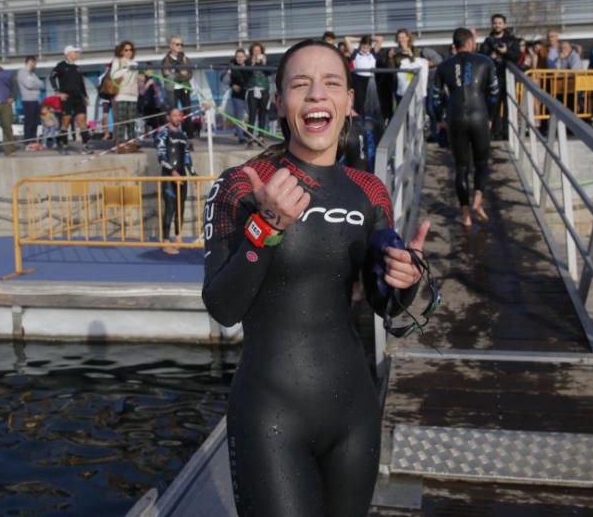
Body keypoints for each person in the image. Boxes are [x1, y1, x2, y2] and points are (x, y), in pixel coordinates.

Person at [202, 38, 429, 517]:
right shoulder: (244, 184)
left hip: (354, 412)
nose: (316, 95)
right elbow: (223, 307)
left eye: (331, 84)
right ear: (281, 103)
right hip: (271, 415)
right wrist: (266, 227)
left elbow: (382, 302)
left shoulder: (368, 190)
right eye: (300, 85)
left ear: (349, 101)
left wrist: (403, 279)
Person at [434, 27, 500, 226]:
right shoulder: (486, 62)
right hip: (479, 115)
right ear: (471, 43)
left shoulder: (443, 66)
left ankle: (465, 215)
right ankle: (477, 201)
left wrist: (439, 119)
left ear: (454, 44)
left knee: (461, 167)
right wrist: (491, 117)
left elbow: (436, 98)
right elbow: (495, 94)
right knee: (481, 162)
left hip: (455, 117)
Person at [155, 107, 195, 255]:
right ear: (168, 117)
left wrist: (193, 173)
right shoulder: (163, 133)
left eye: (179, 115)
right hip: (169, 176)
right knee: (170, 208)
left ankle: (178, 239)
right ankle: (165, 241)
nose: (178, 117)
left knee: (181, 208)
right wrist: (173, 172)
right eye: (174, 115)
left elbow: (186, 156)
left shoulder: (183, 135)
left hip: (182, 175)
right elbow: (161, 156)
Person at [49, 45, 91, 152]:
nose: (77, 54)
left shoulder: (77, 67)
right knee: (66, 120)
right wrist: (58, 92)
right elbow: (51, 77)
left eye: (77, 53)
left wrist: (85, 96)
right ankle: (64, 145)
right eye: (75, 52)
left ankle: (85, 146)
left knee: (82, 120)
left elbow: (81, 83)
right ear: (68, 53)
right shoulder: (61, 65)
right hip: (66, 97)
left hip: (78, 97)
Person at [110, 41, 142, 152]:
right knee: (121, 120)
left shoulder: (135, 63)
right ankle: (120, 144)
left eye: (130, 50)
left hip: (133, 94)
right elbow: (114, 75)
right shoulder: (117, 61)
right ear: (121, 51)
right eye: (126, 50)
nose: (129, 52)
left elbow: (136, 79)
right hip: (121, 94)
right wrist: (126, 68)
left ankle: (132, 143)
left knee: (131, 121)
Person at [161, 35, 196, 138]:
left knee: (187, 112)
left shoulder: (186, 59)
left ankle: (189, 137)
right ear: (171, 45)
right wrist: (181, 74)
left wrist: (174, 74)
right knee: (172, 113)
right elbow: (166, 76)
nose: (180, 46)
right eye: (177, 44)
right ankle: (173, 135)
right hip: (172, 90)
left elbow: (189, 75)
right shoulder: (165, 60)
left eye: (181, 44)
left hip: (184, 88)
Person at [245, 42, 271, 145]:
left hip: (264, 90)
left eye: (258, 50)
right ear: (251, 52)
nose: (256, 52)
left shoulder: (266, 60)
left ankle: (261, 136)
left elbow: (269, 73)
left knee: (262, 115)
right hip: (252, 90)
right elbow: (246, 74)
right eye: (254, 50)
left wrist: (264, 63)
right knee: (252, 115)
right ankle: (250, 137)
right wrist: (252, 63)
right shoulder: (248, 61)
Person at [17, 56, 43, 145]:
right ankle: (27, 141)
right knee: (29, 122)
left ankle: (33, 140)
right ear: (30, 62)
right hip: (28, 100)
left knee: (35, 122)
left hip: (35, 100)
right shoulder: (22, 73)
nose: (35, 65)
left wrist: (35, 84)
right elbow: (29, 85)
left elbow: (42, 84)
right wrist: (36, 84)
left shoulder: (33, 74)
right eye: (34, 63)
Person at [227, 49, 249, 144]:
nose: (239, 58)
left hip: (249, 94)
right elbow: (227, 79)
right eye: (238, 57)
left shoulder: (249, 66)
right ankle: (241, 137)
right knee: (238, 117)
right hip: (237, 95)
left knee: (252, 116)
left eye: (241, 56)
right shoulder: (232, 67)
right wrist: (232, 85)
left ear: (245, 57)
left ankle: (251, 134)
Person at [351, 35, 377, 116]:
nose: (365, 49)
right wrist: (360, 39)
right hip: (358, 79)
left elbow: (380, 39)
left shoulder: (372, 52)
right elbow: (347, 39)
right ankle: (359, 119)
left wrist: (368, 38)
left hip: (371, 79)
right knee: (360, 101)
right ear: (360, 45)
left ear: (370, 46)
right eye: (363, 46)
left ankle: (371, 118)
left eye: (367, 47)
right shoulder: (355, 53)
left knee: (372, 101)